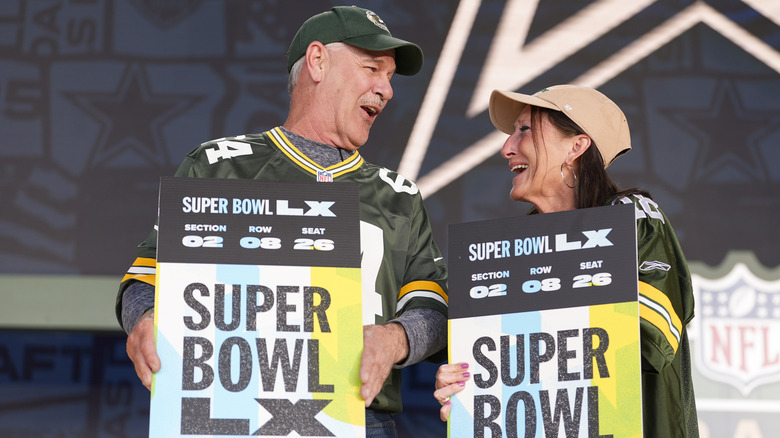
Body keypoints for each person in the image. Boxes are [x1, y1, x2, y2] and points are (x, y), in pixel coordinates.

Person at [115, 6, 448, 437]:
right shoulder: (218, 167)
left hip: (359, 418)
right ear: (317, 61)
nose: (385, 89)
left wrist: (394, 339)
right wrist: (145, 320)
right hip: (226, 411)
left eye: (389, 78)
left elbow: (433, 308)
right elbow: (146, 279)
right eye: (371, 68)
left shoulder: (399, 196)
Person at [433, 85, 698, 437]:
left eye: (524, 130)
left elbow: (651, 336)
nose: (506, 147)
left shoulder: (633, 217)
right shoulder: (514, 248)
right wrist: (471, 389)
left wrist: (515, 364)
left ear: (576, 146)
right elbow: (492, 358)